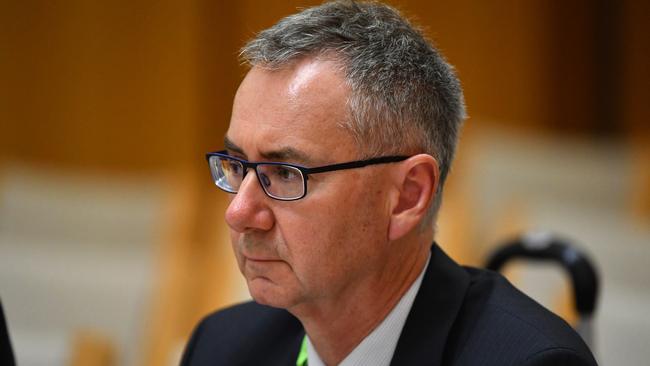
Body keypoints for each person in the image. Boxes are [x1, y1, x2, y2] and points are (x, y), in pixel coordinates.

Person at [181, 1, 598, 365]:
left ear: (407, 196)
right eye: (236, 165)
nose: (238, 214)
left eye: (286, 174)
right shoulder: (221, 347)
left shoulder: (528, 361)